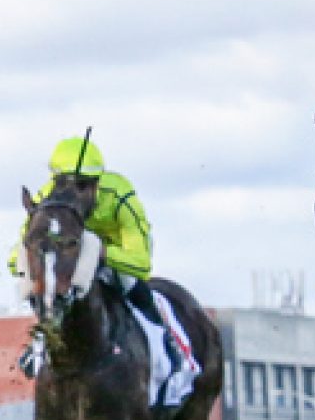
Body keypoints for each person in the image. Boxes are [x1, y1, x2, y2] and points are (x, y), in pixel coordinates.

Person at [12, 134, 186, 379]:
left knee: (125, 278)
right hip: (72, 260)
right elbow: (16, 255)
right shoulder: (45, 199)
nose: (72, 194)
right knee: (37, 281)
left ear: (96, 183)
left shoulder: (119, 194)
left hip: (117, 254)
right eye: (63, 184)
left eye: (82, 186)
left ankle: (169, 344)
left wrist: (101, 252)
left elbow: (142, 263)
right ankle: (40, 342)